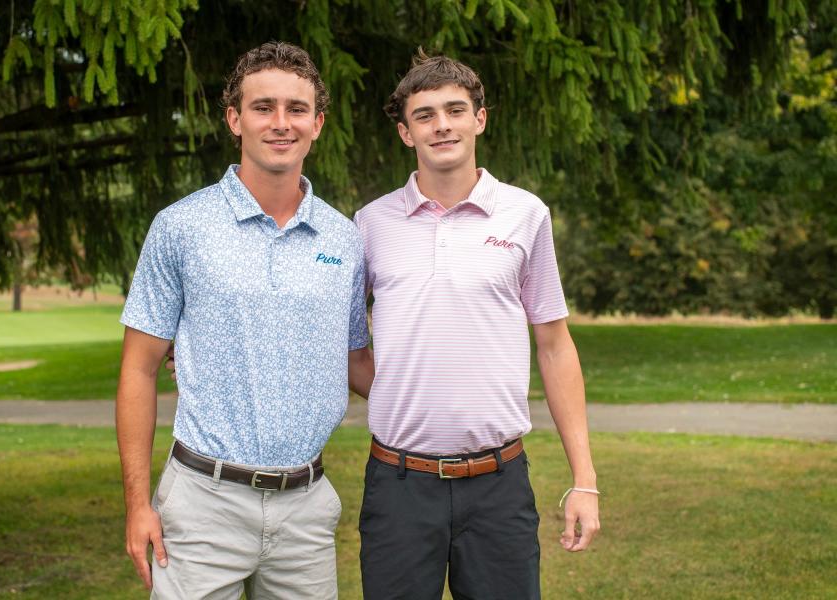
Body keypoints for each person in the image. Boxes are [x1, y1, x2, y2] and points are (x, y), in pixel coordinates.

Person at [116, 41, 372, 600]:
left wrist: (451, 396)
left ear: (318, 124)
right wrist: (138, 505)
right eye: (263, 107)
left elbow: (356, 360)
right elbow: (138, 371)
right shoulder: (181, 226)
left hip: (306, 510)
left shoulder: (343, 239)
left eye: (296, 109)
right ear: (235, 118)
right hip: (203, 502)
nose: (281, 123)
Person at [352, 53, 600, 599]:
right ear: (404, 131)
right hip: (398, 486)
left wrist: (585, 481)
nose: (442, 124)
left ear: (479, 119)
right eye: (425, 115)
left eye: (455, 110)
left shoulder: (525, 214)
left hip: (498, 485)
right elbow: (347, 344)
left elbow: (556, 346)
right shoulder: (370, 223)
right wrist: (409, 390)